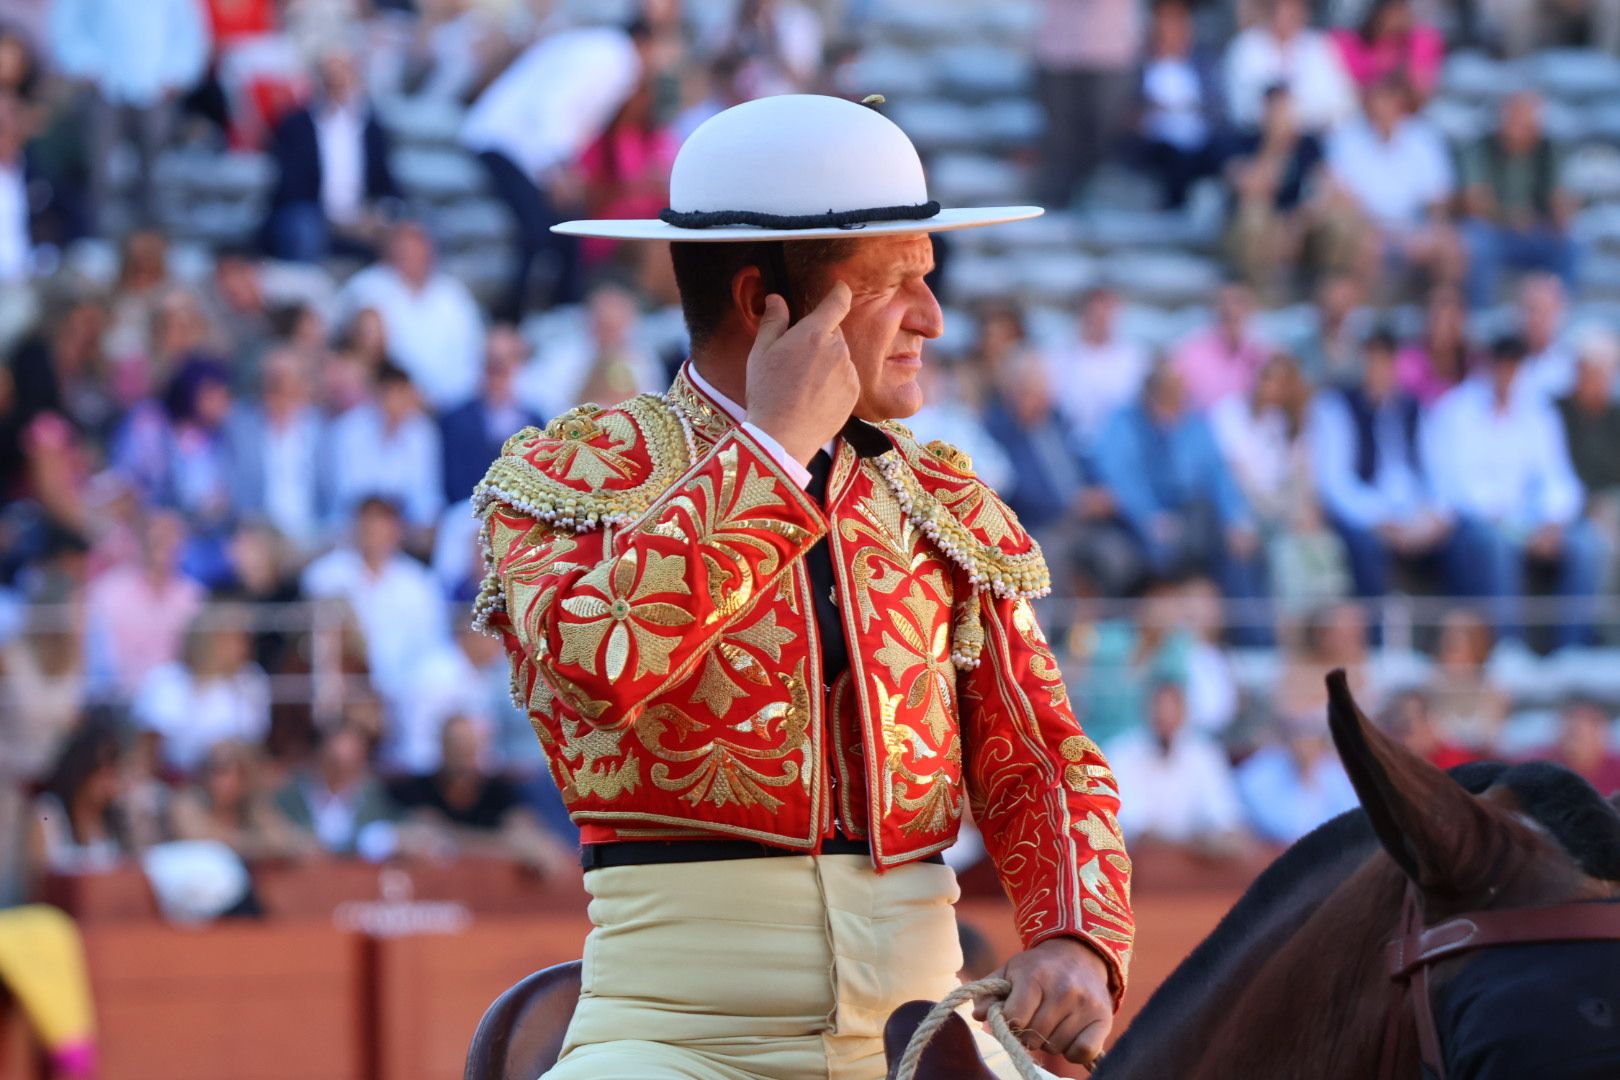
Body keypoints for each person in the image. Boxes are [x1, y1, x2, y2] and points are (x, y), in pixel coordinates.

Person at [476, 95, 1131, 1076]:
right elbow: (598, 658)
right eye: (894, 284)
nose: (935, 318)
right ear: (762, 303)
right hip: (667, 1038)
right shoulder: (570, 479)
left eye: (929, 278)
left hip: (925, 1024)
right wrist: (773, 451)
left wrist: (1079, 937)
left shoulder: (942, 498)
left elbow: (1037, 757)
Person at [462, 22, 653, 319]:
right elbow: (552, 104)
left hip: (515, 141)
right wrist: (560, 167)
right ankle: (521, 315)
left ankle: (549, 310)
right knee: (542, 232)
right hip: (509, 142)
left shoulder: (594, 46)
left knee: (559, 231)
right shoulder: (616, 59)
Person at [1425, 335, 1603, 647]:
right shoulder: (1456, 411)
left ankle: (1573, 647)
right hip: (1478, 525)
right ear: (1487, 367)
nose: (1507, 376)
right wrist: (1518, 530)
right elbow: (1456, 489)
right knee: (1498, 545)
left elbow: (1559, 479)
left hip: (1534, 524)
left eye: (1514, 368)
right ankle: (1510, 646)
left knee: (1590, 546)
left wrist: (1552, 522)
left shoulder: (1538, 412)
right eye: (1501, 367)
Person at [1092, 363, 1265, 620]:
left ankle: (1254, 646)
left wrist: (1236, 520)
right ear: (1147, 396)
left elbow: (1218, 476)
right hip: (1135, 529)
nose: (1170, 409)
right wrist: (1148, 517)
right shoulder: (1123, 422)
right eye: (1163, 398)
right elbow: (1120, 479)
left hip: (1190, 527)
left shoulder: (1194, 424)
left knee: (1245, 549)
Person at [1311, 330, 1451, 599]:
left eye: (1385, 361)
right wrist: (1380, 519)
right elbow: (1336, 484)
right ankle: (1376, 637)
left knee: (1468, 541)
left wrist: (1435, 516)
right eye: (1372, 360)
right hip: (1366, 517)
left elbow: (1439, 471)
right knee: (1365, 548)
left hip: (1415, 517)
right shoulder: (1337, 407)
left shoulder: (1414, 409)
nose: (1378, 370)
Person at [45, 0, 210, 226]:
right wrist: (87, 67)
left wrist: (175, 75)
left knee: (156, 172)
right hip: (103, 89)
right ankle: (94, 232)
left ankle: (150, 238)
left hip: (157, 90)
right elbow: (67, 25)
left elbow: (190, 33)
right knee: (97, 170)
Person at [301, 495, 451, 712]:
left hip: (405, 694)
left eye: (382, 523)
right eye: (368, 523)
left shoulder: (419, 584)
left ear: (397, 530)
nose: (373, 532)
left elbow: (431, 645)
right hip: (343, 692)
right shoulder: (325, 575)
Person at [262, 45, 401, 263]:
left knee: (409, 231)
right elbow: (290, 188)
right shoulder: (295, 125)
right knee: (303, 226)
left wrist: (378, 213)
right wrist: (340, 221)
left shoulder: (372, 128)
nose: (337, 83)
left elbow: (385, 181)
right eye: (331, 76)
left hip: (361, 217)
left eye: (344, 75)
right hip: (312, 215)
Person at [388, 715, 575, 876]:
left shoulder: (498, 791)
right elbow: (415, 837)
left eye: (469, 748)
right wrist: (505, 846)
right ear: (442, 747)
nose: (463, 755)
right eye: (457, 746)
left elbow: (534, 843)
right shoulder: (417, 790)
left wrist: (451, 840)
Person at [1323, 75, 1459, 294]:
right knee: (1356, 242)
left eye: (1388, 99)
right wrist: (1376, 232)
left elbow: (1439, 202)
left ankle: (1442, 318)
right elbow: (1341, 197)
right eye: (1376, 99)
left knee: (1450, 248)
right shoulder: (1346, 138)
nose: (1381, 107)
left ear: (1400, 102)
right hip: (1365, 229)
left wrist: (1429, 232)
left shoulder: (1424, 138)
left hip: (1413, 228)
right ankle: (1362, 318)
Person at [337, 222, 485, 412]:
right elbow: (353, 348)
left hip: (453, 403)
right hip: (386, 401)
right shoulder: (367, 287)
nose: (412, 258)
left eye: (418, 251)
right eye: (404, 251)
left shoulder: (453, 294)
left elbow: (474, 350)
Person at [1459, 91, 1578, 309]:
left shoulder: (1547, 149)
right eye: (1514, 117)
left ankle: (1556, 315)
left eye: (1526, 118)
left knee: (1572, 245)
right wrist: (1511, 218)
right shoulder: (1481, 147)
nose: (1519, 125)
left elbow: (1559, 199)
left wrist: (1560, 214)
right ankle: (1480, 317)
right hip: (1496, 230)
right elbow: (1475, 202)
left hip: (1536, 231)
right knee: (1475, 241)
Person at [1105, 678, 1249, 855]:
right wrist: (1197, 846)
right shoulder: (1121, 754)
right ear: (1146, 710)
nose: (1165, 716)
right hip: (1138, 868)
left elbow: (1227, 819)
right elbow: (1135, 829)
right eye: (1159, 707)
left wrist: (1220, 842)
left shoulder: (1205, 755)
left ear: (1185, 712)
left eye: (1172, 708)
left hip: (1196, 869)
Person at [132, 605, 270, 776]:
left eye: (244, 639)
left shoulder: (251, 681)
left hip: (229, 779)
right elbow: (148, 748)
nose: (243, 648)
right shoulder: (166, 680)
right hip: (171, 780)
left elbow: (254, 747)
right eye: (232, 639)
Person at [1032, 0, 1143, 207]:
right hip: (1057, 51)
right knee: (1060, 144)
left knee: (1106, 144)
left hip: (1110, 53)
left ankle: (1102, 206)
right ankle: (1056, 206)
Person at [324, 363, 444, 535]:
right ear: (375, 394)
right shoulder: (348, 430)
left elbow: (426, 494)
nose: (394, 402)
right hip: (355, 526)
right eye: (389, 393)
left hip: (405, 528)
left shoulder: (423, 433)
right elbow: (347, 490)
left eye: (401, 394)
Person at [1131, 0, 1227, 210]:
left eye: (1178, 20)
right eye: (1167, 20)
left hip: (1199, 143)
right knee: (1174, 159)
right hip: (1158, 146)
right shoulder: (1142, 65)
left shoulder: (1203, 64)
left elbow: (1217, 112)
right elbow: (1130, 114)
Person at [439, 325, 541, 506]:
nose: (497, 373)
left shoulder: (536, 422)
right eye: (491, 364)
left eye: (504, 363)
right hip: (468, 513)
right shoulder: (455, 421)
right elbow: (453, 482)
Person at [1223, 0, 1356, 135]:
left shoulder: (1319, 45)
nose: (1291, 14)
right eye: (1285, 7)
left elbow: (1342, 102)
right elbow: (1241, 107)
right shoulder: (1246, 46)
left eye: (1297, 8)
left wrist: (1295, 110)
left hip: (1312, 140)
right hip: (1254, 138)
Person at [271, 721, 400, 860]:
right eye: (335, 763)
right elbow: (274, 830)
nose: (343, 771)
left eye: (353, 762)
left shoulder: (371, 794)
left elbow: (394, 824)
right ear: (320, 754)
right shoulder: (291, 793)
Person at [168, 739, 314, 860]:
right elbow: (200, 840)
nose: (217, 779)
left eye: (226, 771)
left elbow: (285, 839)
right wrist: (256, 844)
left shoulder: (253, 806)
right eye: (214, 769)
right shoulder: (187, 801)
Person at [1046, 286, 1149, 450]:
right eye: (1095, 313)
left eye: (1106, 312)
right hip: (1070, 444)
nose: (1100, 320)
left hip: (1122, 447)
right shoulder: (1057, 355)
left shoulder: (1135, 358)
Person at [1556, 329, 1620, 594]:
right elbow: (1550, 472)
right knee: (1597, 544)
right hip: (1569, 509)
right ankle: (1600, 627)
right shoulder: (1557, 412)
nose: (1597, 380)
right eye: (1591, 371)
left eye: (1604, 372)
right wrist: (1587, 504)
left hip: (1610, 505)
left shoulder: (1615, 416)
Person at [1172, 281, 1269, 409]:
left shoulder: (1264, 353)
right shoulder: (1190, 351)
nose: (1231, 309)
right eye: (1225, 303)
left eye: (1239, 302)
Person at [1328, 0, 1445, 100]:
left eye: (1402, 8)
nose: (1400, 16)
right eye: (1394, 10)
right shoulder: (1351, 43)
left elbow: (1422, 88)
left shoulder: (1422, 40)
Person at [1395, 284, 1475, 405]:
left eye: (1451, 319)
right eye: (1438, 317)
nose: (1443, 328)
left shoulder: (1474, 366)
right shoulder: (1408, 362)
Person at [1542, 698, 1620, 797]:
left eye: (1578, 735)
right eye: (1570, 733)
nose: (1573, 744)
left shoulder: (1616, 770)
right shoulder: (1542, 766)